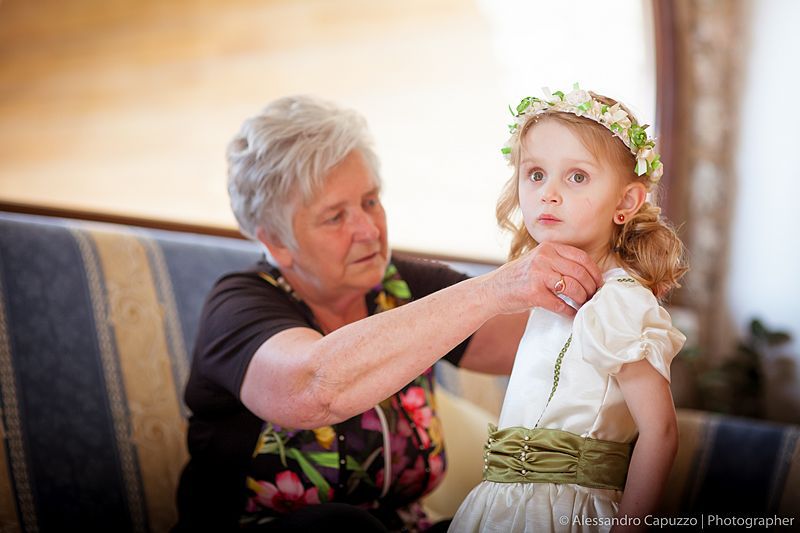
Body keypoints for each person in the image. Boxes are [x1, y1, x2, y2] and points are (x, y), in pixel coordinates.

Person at [173, 95, 604, 532]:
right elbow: (312, 388)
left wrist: (605, 256)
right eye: (335, 217)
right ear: (277, 241)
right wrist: (497, 287)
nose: (367, 229)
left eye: (370, 201)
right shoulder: (238, 305)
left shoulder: (402, 286)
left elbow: (541, 342)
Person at [449, 86, 688, 533]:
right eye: (535, 174)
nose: (548, 194)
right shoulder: (547, 296)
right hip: (500, 505)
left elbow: (661, 433)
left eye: (576, 177)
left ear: (626, 202)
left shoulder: (616, 300)